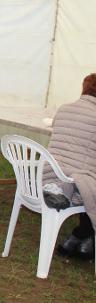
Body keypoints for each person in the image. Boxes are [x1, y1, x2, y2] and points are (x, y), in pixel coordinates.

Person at [43, 73, 96, 259]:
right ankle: (82, 237)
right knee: (88, 180)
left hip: (48, 176)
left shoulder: (64, 109)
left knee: (86, 176)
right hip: (69, 183)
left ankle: (81, 239)